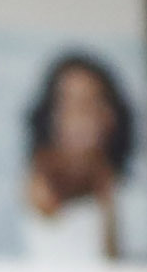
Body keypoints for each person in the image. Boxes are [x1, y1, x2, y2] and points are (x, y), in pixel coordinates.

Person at [19, 50, 139, 260]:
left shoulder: (117, 179)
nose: (80, 118)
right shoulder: (45, 172)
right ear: (53, 114)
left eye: (90, 104)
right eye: (70, 105)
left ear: (109, 112)